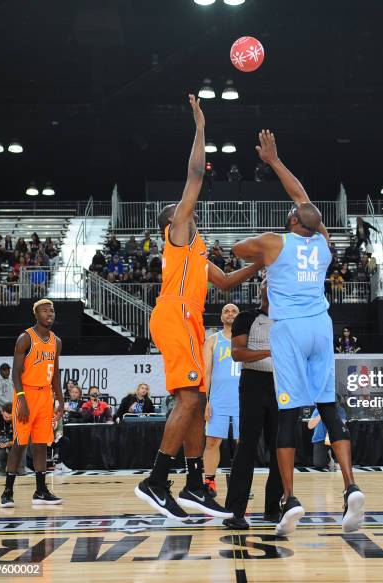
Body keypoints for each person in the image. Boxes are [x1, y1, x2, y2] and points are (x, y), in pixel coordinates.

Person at [135, 95, 262, 522]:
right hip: (172, 313)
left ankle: (193, 483)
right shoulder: (179, 236)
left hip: (190, 319)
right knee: (189, 398)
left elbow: (224, 283)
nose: (186, 210)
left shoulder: (197, 250)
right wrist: (200, 127)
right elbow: (193, 175)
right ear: (172, 223)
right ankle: (155, 480)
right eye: (180, 211)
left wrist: (258, 264)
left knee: (196, 396)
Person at [232, 129, 364, 536]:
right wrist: (275, 162)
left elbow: (238, 249)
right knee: (328, 406)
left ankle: (290, 499)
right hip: (322, 326)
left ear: (292, 222)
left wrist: (261, 260)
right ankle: (351, 486)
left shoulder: (275, 242)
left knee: (288, 412)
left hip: (289, 329)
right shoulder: (325, 244)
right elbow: (304, 199)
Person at [223, 279, 283, 529]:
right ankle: (234, 510)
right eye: (267, 282)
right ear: (261, 289)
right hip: (254, 383)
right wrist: (271, 351)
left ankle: (274, 508)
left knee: (281, 448)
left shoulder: (288, 319)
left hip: (282, 385)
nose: (271, 285)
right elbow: (238, 354)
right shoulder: (247, 317)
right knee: (246, 446)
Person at [0, 299, 64, 508]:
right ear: (36, 315)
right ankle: (7, 491)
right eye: (45, 311)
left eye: (52, 311)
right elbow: (16, 373)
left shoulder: (56, 341)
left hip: (46, 396)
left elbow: (55, 374)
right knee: (19, 444)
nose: (50, 314)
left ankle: (41, 491)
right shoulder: (25, 338)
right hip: (26, 394)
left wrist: (61, 401)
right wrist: (21, 398)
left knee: (41, 444)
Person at [203, 304, 241, 497]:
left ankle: (241, 481)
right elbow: (207, 372)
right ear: (221, 317)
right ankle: (209, 481)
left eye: (234, 311)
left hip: (243, 400)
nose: (230, 314)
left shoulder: (246, 340)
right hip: (218, 399)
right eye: (226, 311)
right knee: (212, 441)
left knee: (242, 443)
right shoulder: (213, 340)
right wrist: (206, 400)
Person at [0, 402, 25, 476]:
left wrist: (9, 443)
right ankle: (3, 466)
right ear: (2, 412)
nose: (8, 419)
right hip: (0, 445)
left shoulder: (19, 419)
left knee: (22, 446)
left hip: (15, 443)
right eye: (6, 417)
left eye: (10, 417)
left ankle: (20, 467)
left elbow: (23, 438)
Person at [308, 403, 348, 470]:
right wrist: (321, 413)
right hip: (320, 438)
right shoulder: (318, 410)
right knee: (318, 464)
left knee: (340, 466)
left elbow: (342, 424)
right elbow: (310, 426)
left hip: (335, 437)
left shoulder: (340, 410)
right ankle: (329, 458)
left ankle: (337, 459)